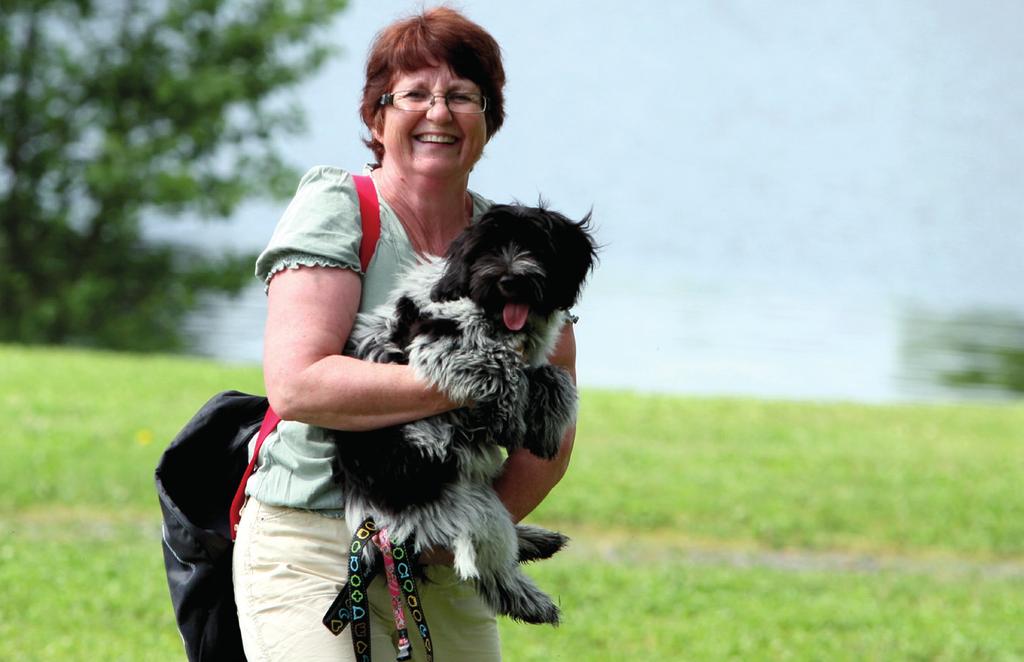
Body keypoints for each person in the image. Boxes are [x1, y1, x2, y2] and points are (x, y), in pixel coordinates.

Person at [232, 8, 578, 661]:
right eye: (415, 94)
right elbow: (300, 384)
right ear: (376, 117)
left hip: (447, 554)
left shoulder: (512, 241)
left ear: (489, 120)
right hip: (317, 548)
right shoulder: (341, 208)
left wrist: (465, 534)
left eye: (462, 97)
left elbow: (549, 426)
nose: (439, 113)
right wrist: (472, 384)